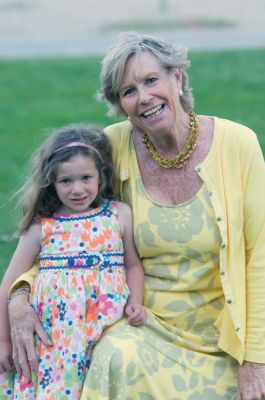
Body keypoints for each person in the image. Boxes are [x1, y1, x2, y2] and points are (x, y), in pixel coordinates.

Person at [4, 31, 265, 399]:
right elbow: (65, 232)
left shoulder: (237, 144)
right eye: (128, 91)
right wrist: (19, 297)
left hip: (227, 336)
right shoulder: (111, 148)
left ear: (177, 77)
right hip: (141, 324)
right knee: (113, 355)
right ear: (119, 103)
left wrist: (255, 362)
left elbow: (260, 257)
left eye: (151, 80)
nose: (144, 98)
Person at [0, 124, 146, 399]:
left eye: (86, 178)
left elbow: (133, 265)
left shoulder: (119, 215)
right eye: (66, 181)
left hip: (105, 327)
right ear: (51, 183)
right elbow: (8, 283)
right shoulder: (41, 228)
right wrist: (4, 340)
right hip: (55, 340)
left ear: (101, 177)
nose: (77, 189)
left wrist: (135, 301)